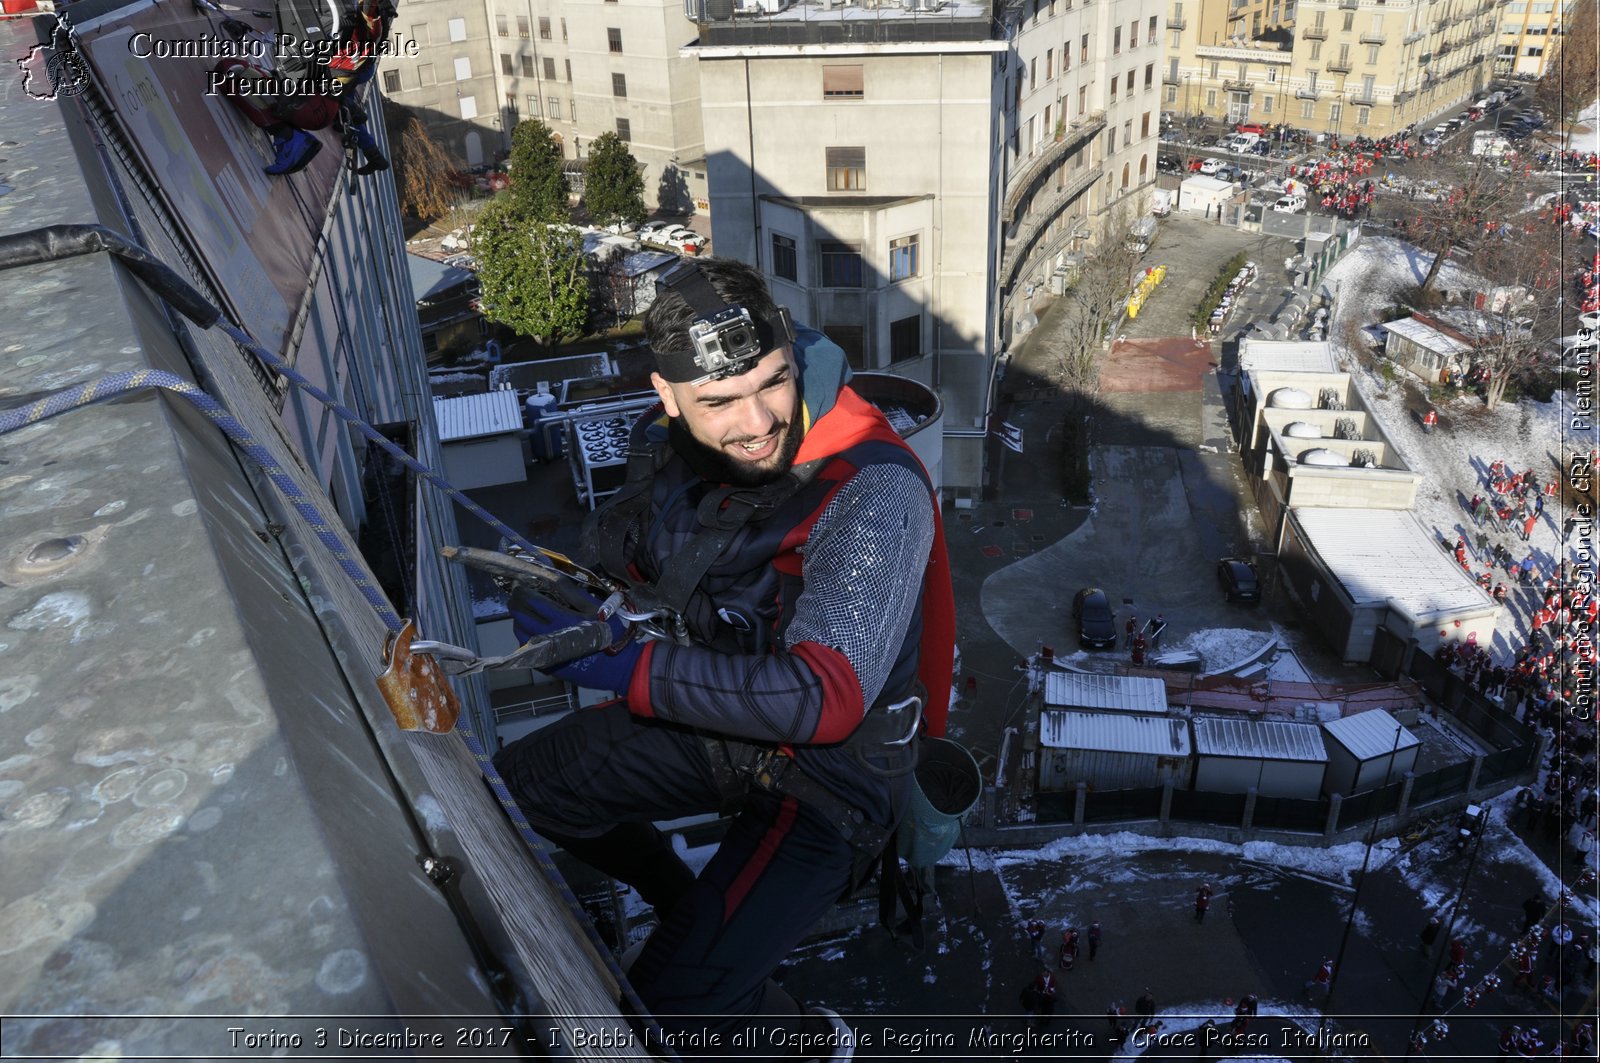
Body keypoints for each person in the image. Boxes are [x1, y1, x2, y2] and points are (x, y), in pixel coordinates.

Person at [492, 258, 955, 1056]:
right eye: (718, 402)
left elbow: (826, 695)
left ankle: (801, 1041)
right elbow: (634, 549)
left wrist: (626, 667)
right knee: (521, 789)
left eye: (774, 383)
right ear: (666, 397)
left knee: (672, 1010)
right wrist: (565, 587)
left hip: (834, 776)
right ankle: (684, 903)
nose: (757, 421)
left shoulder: (874, 487)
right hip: (726, 722)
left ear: (790, 355)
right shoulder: (674, 449)